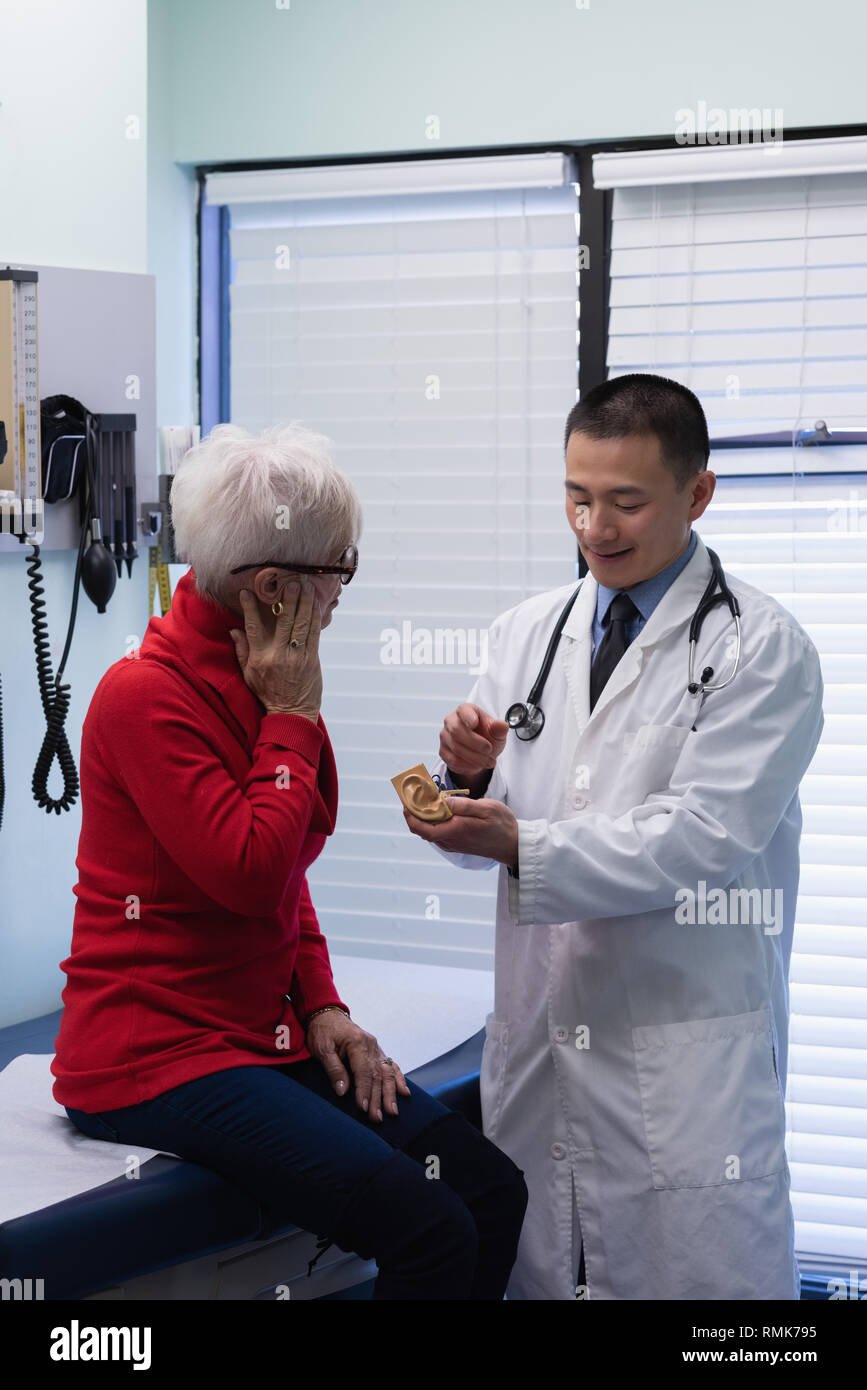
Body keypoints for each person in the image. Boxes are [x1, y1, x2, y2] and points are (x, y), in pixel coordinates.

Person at [52, 422, 527, 1301]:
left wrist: (322, 1005)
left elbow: (285, 879)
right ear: (274, 586)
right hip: (150, 1054)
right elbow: (250, 869)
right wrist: (296, 716)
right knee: (430, 1228)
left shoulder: (262, 671)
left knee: (490, 1192)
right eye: (339, 570)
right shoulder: (149, 694)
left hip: (252, 1037)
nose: (344, 592)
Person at [403, 373, 824, 1300]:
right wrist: (462, 781)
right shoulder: (525, 633)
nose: (595, 527)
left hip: (684, 1059)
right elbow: (485, 823)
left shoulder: (761, 648)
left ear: (697, 493)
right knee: (539, 1269)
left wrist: (525, 845)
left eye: (626, 502)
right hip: (543, 1046)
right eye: (576, 496)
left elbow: (701, 838)